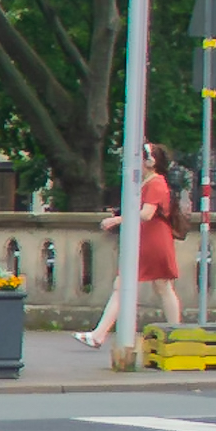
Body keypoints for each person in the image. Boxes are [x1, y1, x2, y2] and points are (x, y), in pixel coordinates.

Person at [79, 141, 184, 347]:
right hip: (149, 239)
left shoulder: (155, 183)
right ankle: (175, 332)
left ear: (150, 162)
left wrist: (116, 220)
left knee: (137, 284)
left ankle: (99, 334)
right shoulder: (149, 182)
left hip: (151, 240)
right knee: (161, 286)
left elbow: (146, 214)